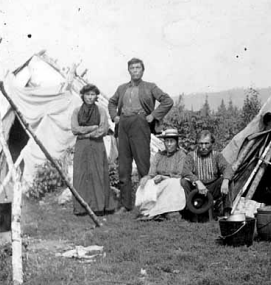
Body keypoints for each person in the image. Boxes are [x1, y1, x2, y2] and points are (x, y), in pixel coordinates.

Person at [108, 58, 173, 213]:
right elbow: (112, 103)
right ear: (128, 71)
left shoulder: (150, 87)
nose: (135, 70)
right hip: (123, 125)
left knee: (144, 166)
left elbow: (167, 101)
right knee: (123, 167)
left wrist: (153, 116)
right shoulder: (122, 88)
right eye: (132, 68)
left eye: (138, 68)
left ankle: (148, 203)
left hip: (140, 124)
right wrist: (114, 117)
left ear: (142, 70)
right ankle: (126, 204)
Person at [71, 84, 117, 216]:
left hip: (97, 145)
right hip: (82, 146)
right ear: (83, 96)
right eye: (87, 95)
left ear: (96, 96)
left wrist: (86, 133)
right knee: (82, 174)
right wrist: (91, 128)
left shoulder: (101, 111)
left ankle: (100, 207)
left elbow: (102, 129)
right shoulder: (76, 111)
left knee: (98, 173)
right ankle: (81, 208)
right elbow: (75, 129)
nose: (90, 97)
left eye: (92, 95)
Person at [135, 128, 187, 220]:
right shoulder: (159, 155)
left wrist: (163, 177)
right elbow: (152, 173)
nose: (169, 144)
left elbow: (180, 175)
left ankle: (160, 211)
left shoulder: (181, 155)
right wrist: (146, 178)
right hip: (158, 181)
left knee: (172, 183)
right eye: (167, 141)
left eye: (172, 141)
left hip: (174, 182)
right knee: (148, 183)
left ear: (177, 142)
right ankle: (146, 211)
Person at [182, 130, 234, 217]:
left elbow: (227, 167)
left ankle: (226, 212)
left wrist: (225, 180)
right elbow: (185, 171)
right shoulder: (191, 156)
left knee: (228, 180)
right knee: (183, 182)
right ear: (197, 143)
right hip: (196, 188)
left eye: (206, 143)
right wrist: (197, 182)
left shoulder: (217, 155)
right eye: (201, 143)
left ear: (212, 143)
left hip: (212, 188)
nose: (203, 147)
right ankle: (189, 211)